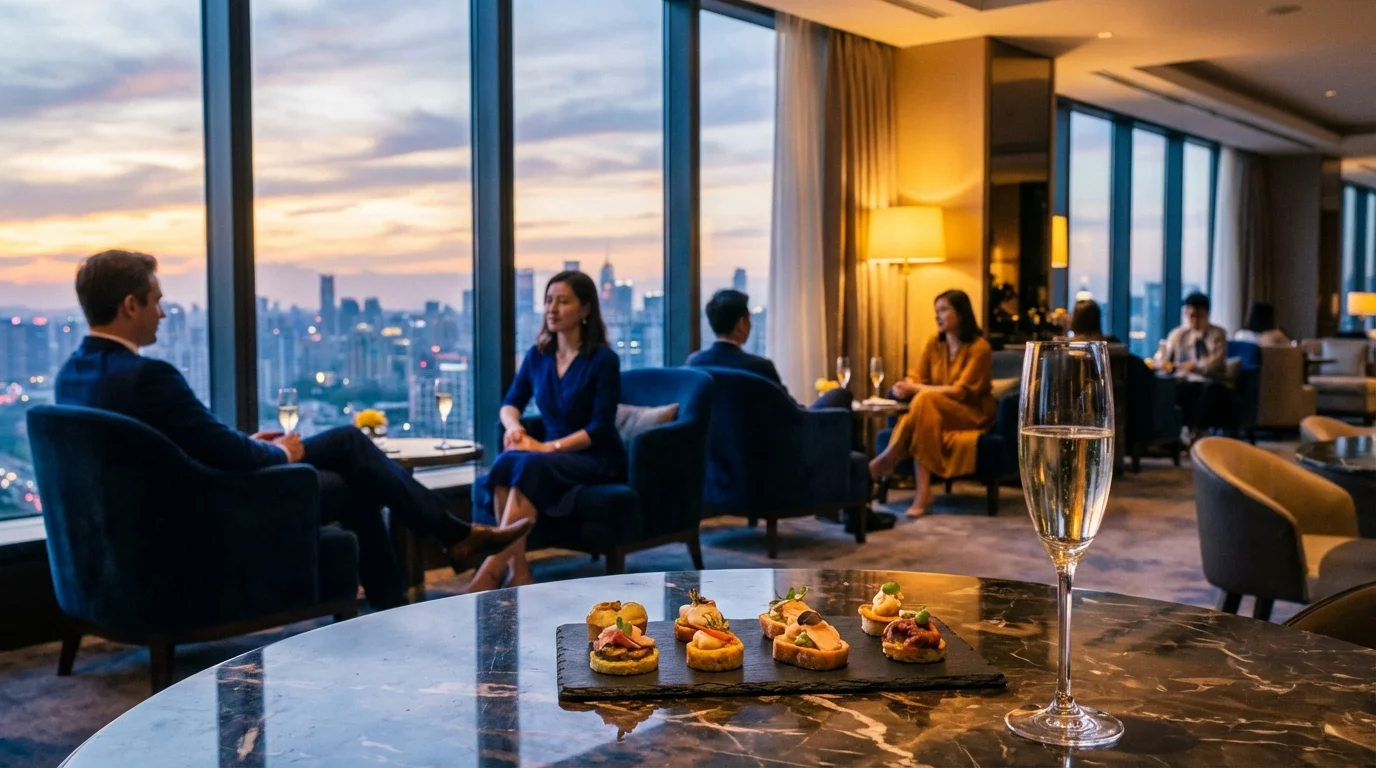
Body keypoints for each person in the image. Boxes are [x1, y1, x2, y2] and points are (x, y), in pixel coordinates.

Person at [54, 250, 532, 610]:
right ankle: (444, 545)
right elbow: (224, 455)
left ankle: (416, 580)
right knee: (349, 447)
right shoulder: (148, 377)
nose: (162, 313)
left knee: (352, 472)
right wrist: (281, 453)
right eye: (157, 302)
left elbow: (164, 449)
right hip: (205, 516)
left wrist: (250, 444)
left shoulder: (71, 376)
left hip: (150, 518)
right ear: (130, 305)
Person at [470, 271, 626, 593]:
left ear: (585, 309)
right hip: (549, 457)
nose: (552, 309)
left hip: (593, 455)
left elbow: (600, 428)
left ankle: (491, 570)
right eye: (548, 300)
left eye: (563, 301)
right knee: (510, 461)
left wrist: (545, 448)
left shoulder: (603, 360)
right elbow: (510, 403)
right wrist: (515, 429)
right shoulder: (538, 356)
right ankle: (519, 571)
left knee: (529, 464)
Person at [867, 289, 995, 518]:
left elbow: (961, 392)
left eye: (943, 310)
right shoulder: (934, 345)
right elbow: (919, 377)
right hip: (934, 413)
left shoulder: (980, 348)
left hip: (971, 413)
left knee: (924, 400)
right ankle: (923, 493)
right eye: (936, 311)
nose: (937, 316)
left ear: (961, 313)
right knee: (923, 411)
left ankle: (891, 455)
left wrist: (917, 389)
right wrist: (906, 385)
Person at [687, 288, 851, 409]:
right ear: (741, 324)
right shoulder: (759, 367)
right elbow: (790, 411)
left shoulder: (695, 365)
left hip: (712, 446)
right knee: (841, 395)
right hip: (770, 444)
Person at [1163, 292, 1231, 435]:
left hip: (1210, 379)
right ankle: (1175, 433)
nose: (1193, 319)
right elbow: (1165, 359)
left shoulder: (1217, 334)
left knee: (1207, 392)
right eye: (1190, 315)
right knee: (1171, 388)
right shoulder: (1178, 335)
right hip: (1183, 378)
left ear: (1206, 314)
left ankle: (1198, 432)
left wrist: (1194, 367)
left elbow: (1214, 363)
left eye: (1198, 315)